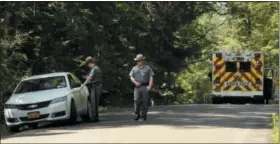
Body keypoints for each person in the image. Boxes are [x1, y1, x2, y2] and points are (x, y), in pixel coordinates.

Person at [129, 54, 154, 121]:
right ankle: (137, 114)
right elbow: (131, 77)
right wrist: (135, 82)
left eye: (139, 60)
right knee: (136, 100)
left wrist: (150, 86)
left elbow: (151, 77)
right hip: (137, 87)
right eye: (137, 61)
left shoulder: (148, 68)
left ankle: (144, 115)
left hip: (145, 86)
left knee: (145, 101)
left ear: (143, 61)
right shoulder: (134, 68)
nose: (138, 62)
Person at [81, 56, 103, 122]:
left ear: (91, 63)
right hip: (97, 86)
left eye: (88, 64)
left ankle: (94, 117)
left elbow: (89, 78)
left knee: (93, 102)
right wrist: (86, 78)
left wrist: (83, 84)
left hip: (96, 87)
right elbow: (92, 78)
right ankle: (96, 117)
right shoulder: (97, 68)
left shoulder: (94, 69)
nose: (88, 66)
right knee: (95, 103)